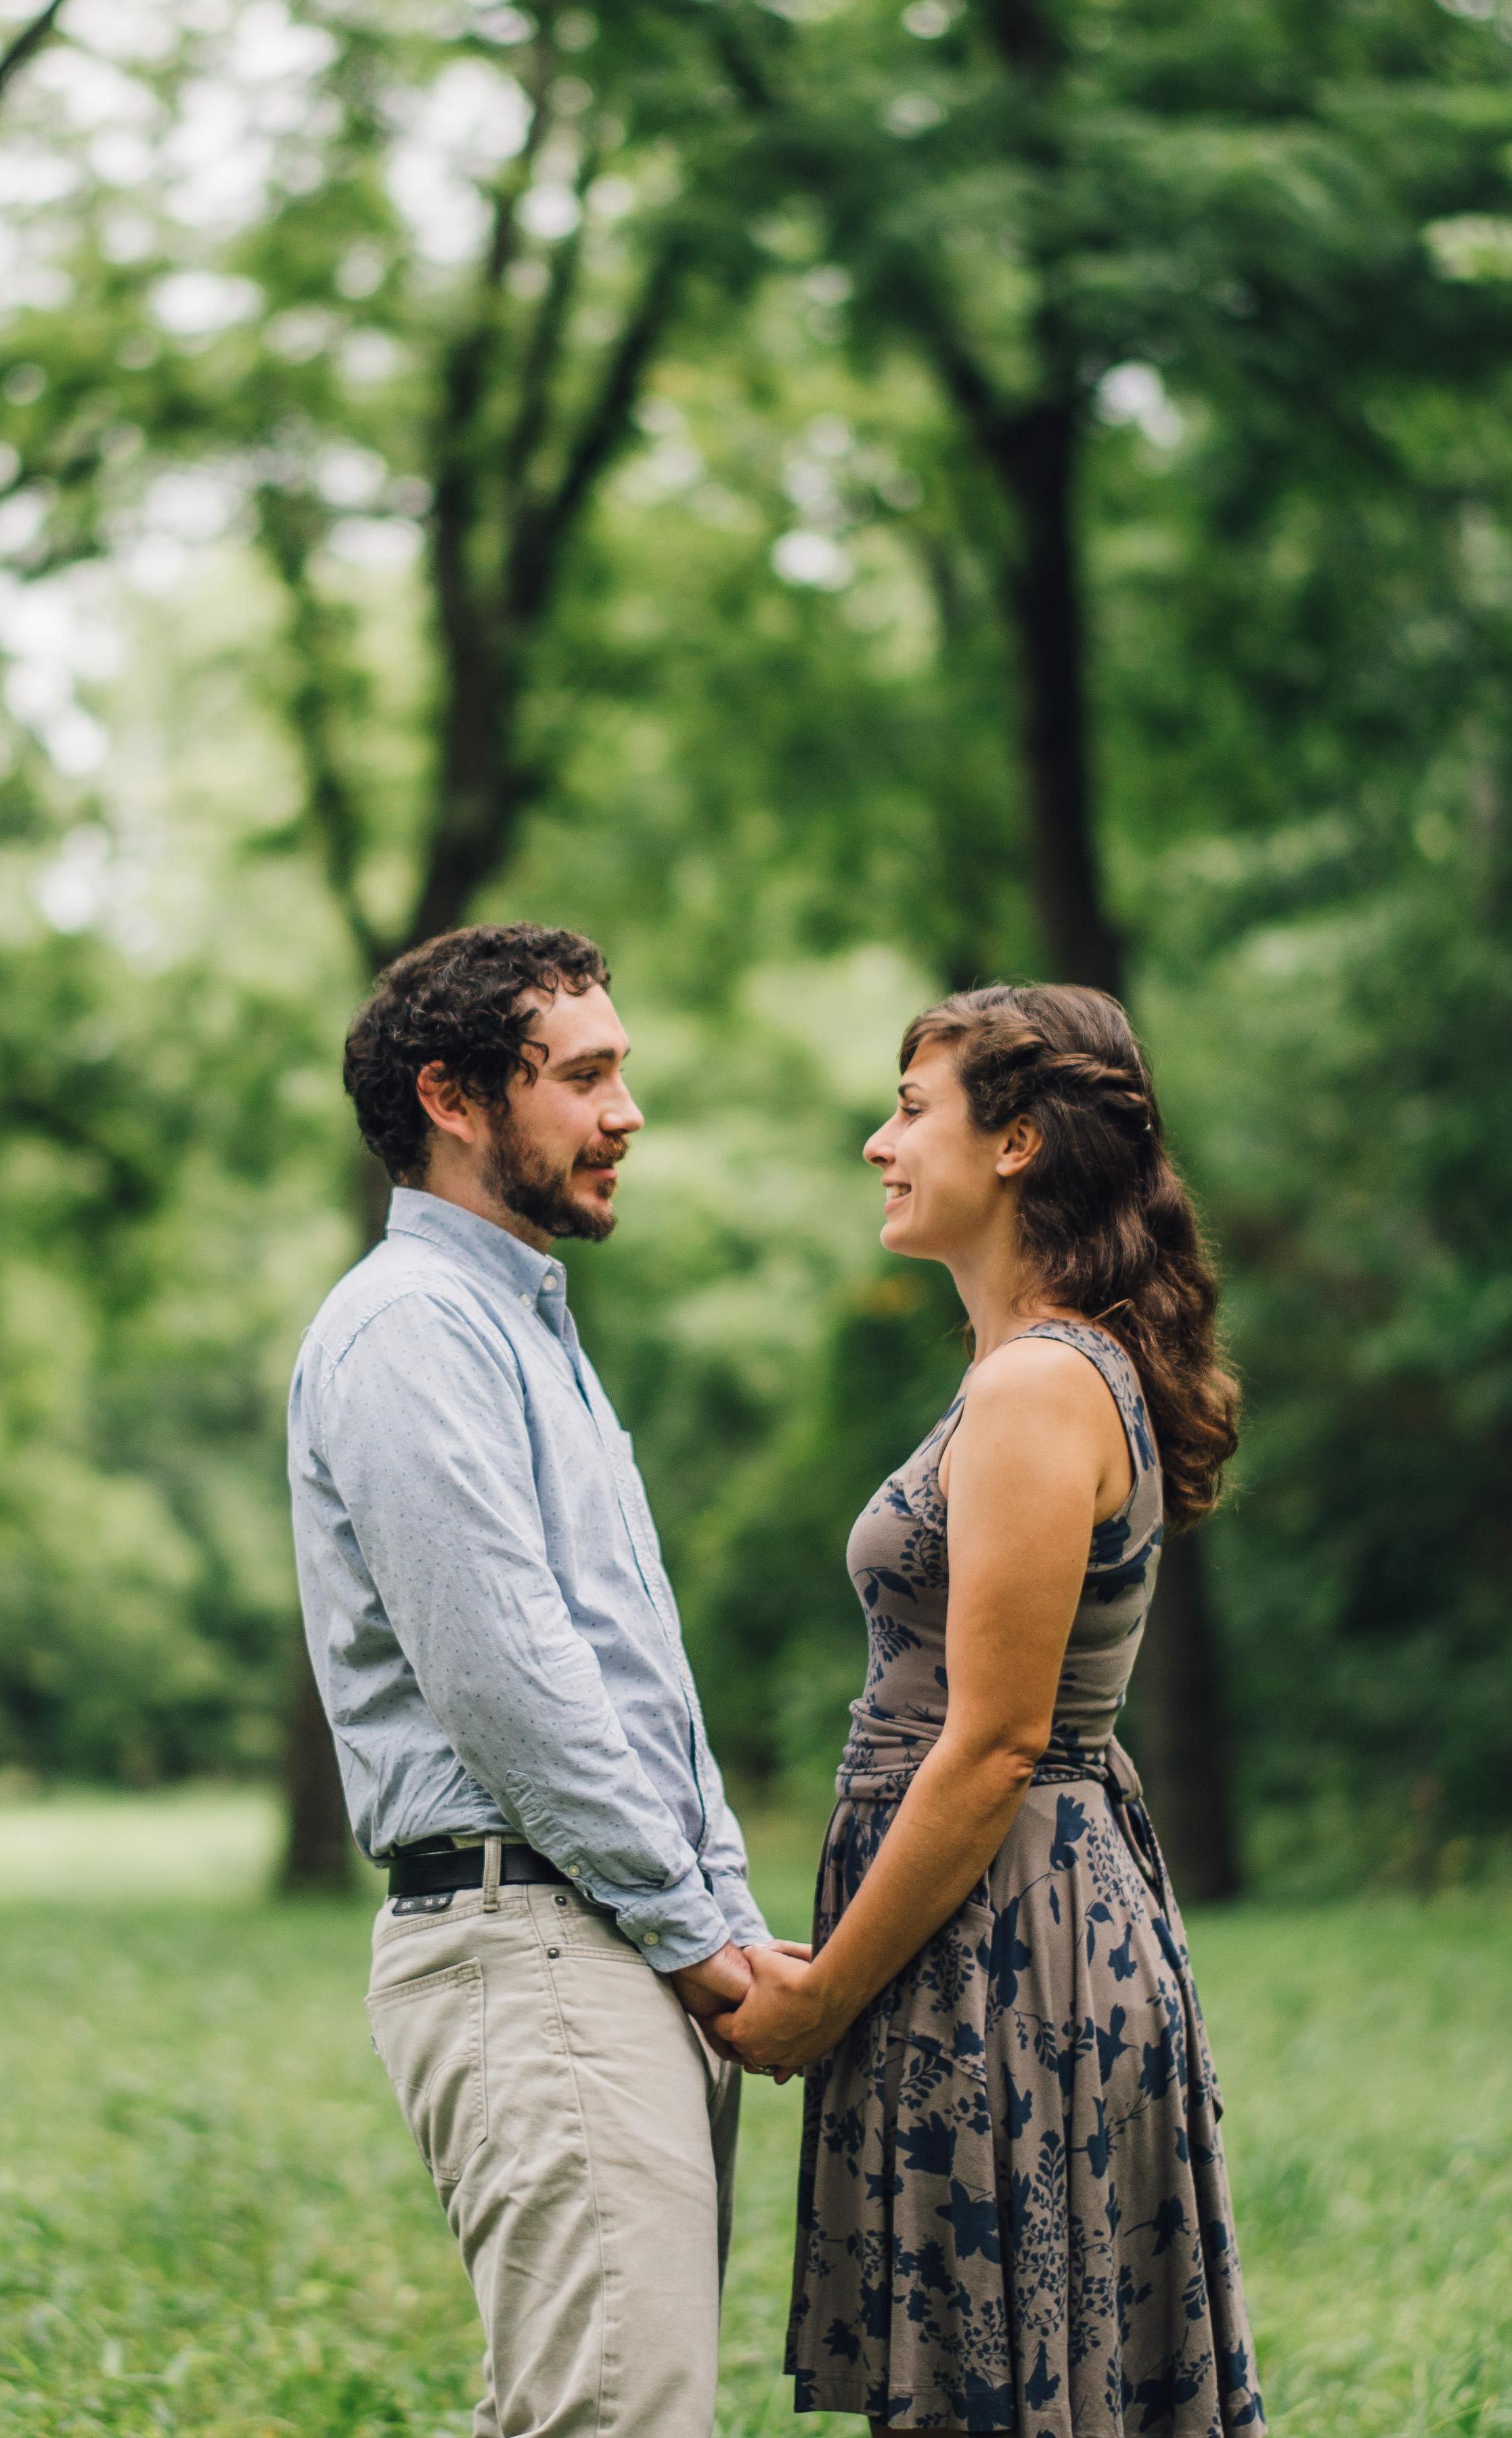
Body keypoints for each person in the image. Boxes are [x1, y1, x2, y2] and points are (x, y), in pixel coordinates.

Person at [715, 982, 1268, 2438]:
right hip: (995, 1926)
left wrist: (824, 1996)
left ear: (1015, 1142)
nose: (876, 1144)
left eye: (910, 1109)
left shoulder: (1035, 1386)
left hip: (1016, 1949)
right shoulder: (1028, 1369)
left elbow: (996, 1740)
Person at [286, 921, 776, 2438]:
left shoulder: (517, 1322)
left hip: (600, 1934)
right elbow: (510, 1679)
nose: (625, 1113)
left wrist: (722, 1919)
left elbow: (626, 1674)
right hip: (535, 1945)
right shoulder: (411, 1331)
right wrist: (701, 1938)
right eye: (584, 1075)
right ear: (452, 1096)